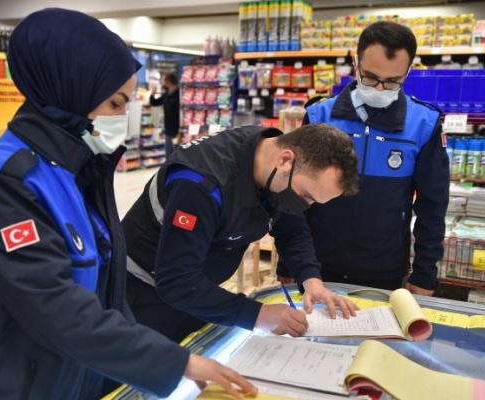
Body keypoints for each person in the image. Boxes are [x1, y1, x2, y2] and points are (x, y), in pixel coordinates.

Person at [0, 8, 256, 400]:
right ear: (70, 91)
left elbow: (106, 294)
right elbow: (56, 309)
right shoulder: (7, 184)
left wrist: (132, 375)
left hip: (73, 379)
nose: (123, 118)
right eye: (114, 103)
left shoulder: (77, 171)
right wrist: (176, 362)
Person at [122, 123, 360, 343]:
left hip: (199, 288)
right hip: (142, 292)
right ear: (285, 160)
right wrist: (260, 315)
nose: (306, 204)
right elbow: (176, 281)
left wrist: (311, 281)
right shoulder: (200, 184)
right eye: (307, 195)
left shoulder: (274, 165)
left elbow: (292, 229)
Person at [278, 21, 449, 296]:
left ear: (409, 71)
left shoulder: (424, 125)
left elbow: (433, 206)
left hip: (384, 272)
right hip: (315, 270)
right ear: (355, 63)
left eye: (393, 81)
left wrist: (425, 273)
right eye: (370, 77)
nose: (380, 89)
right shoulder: (320, 116)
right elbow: (295, 198)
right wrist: (289, 263)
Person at [150, 72, 180, 157]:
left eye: (164, 81)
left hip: (177, 131)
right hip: (168, 131)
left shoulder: (179, 94)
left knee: (177, 156)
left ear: (168, 82)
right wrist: (152, 94)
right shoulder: (166, 95)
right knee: (169, 156)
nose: (163, 83)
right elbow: (155, 103)